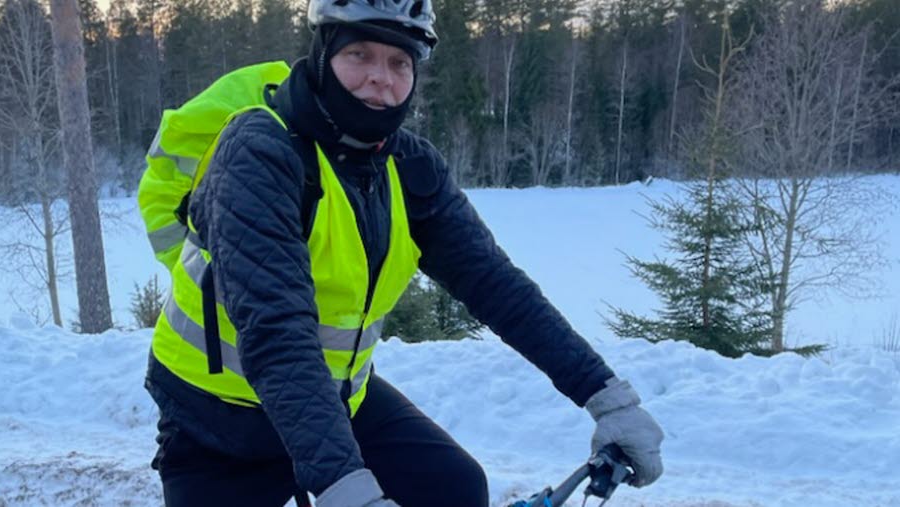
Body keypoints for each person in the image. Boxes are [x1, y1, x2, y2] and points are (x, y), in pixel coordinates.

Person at [143, 0, 665, 505]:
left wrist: (606, 396)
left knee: (453, 487)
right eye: (360, 55)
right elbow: (277, 333)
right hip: (218, 423)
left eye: (400, 62)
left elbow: (495, 284)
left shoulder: (409, 168)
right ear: (323, 55)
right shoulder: (261, 153)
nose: (381, 78)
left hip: (335, 401)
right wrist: (348, 489)